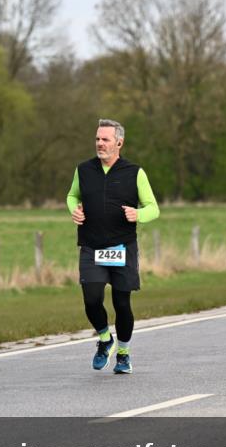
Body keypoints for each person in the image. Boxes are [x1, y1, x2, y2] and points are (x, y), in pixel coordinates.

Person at [67, 119, 159, 374]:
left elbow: (153, 208)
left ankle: (123, 354)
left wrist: (138, 215)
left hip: (122, 246)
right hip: (91, 245)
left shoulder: (135, 172)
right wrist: (74, 209)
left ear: (119, 143)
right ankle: (105, 339)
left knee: (122, 304)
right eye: (97, 139)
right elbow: (72, 195)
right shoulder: (84, 170)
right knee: (91, 299)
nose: (100, 143)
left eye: (105, 139)